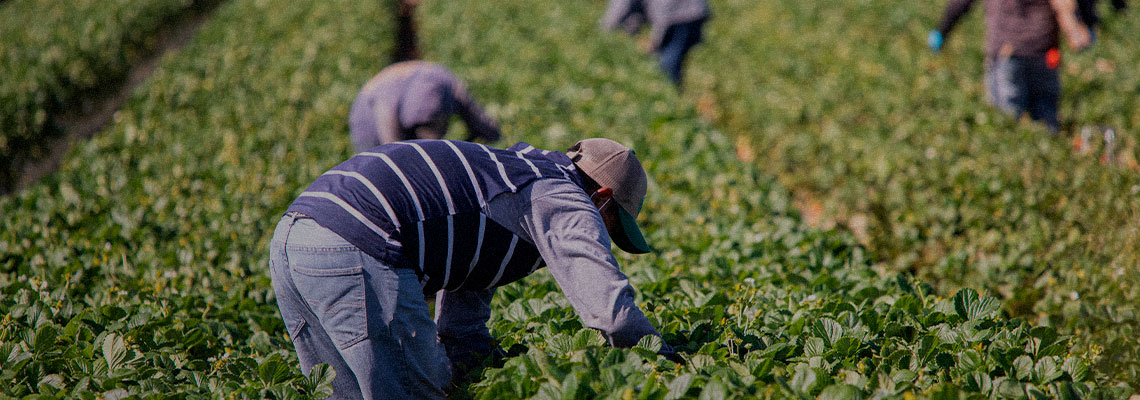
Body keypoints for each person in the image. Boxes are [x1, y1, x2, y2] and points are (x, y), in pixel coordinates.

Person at [268, 138, 677, 399]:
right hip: (355, 240)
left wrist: (478, 367)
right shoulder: (564, 196)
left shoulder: (509, 174)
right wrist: (670, 363)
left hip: (293, 237)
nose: (605, 237)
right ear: (601, 196)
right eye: (613, 223)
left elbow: (464, 305)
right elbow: (612, 314)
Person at [927, 0, 1092, 133]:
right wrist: (1088, 23)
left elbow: (960, 3)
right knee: (1046, 121)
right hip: (1043, 51)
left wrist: (943, 30)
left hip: (1008, 53)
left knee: (1008, 124)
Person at [348, 61, 500, 152]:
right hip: (370, 131)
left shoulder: (445, 81)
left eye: (433, 123)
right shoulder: (386, 100)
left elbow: (479, 120)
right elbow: (391, 149)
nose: (429, 135)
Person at [602, 0, 710, 87]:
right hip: (694, 10)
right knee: (672, 60)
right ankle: (674, 95)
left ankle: (670, 97)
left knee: (667, 63)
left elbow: (620, 8)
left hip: (680, 14)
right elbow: (635, 14)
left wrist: (605, 30)